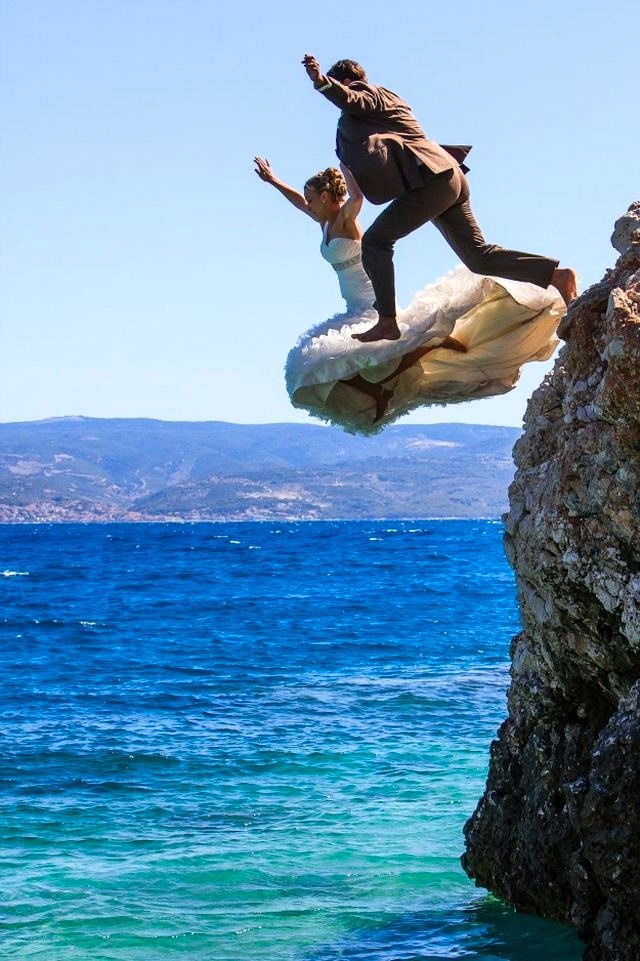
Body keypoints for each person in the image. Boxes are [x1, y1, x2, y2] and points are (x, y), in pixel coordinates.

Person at [302, 54, 578, 343]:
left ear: (347, 81)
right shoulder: (387, 102)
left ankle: (386, 321)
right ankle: (557, 276)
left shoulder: (367, 93)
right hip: (447, 176)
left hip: (432, 180)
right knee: (478, 257)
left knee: (375, 242)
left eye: (339, 85)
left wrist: (322, 83)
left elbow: (352, 100)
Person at [254, 157, 464, 419]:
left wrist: (347, 164)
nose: (308, 205)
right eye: (307, 200)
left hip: (373, 303)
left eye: (311, 199)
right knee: (311, 361)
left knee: (361, 356)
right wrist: (273, 180)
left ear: (327, 197)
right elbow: (298, 202)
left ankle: (431, 343)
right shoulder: (326, 223)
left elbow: (357, 198)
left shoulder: (345, 219)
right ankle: (377, 390)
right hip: (353, 306)